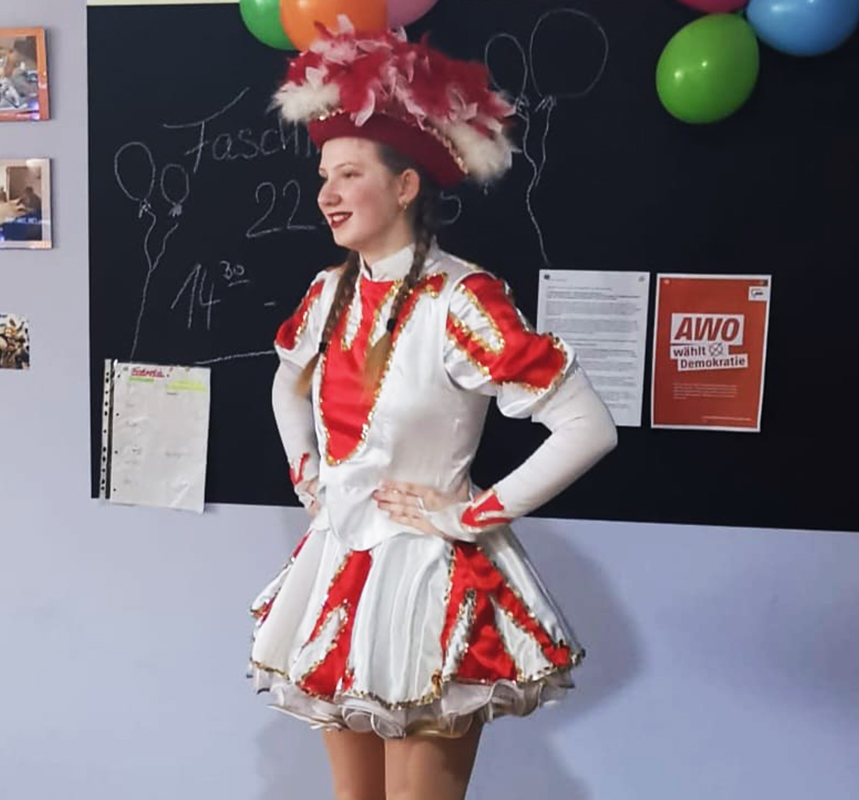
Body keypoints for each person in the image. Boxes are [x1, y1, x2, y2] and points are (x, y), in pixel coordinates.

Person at [248, 23, 617, 800]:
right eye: (324, 176)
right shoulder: (329, 292)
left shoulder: (461, 299)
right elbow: (287, 384)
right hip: (340, 568)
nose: (327, 194)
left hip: (426, 582)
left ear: (406, 186)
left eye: (350, 174)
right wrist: (308, 474)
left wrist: (469, 513)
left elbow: (587, 426)